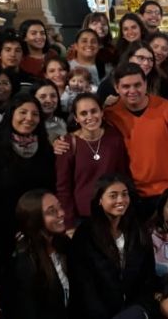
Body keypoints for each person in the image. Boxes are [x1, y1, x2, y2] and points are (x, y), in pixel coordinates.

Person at [103, 63, 168, 219]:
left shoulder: (166, 109)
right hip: (128, 197)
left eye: (137, 85)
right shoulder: (110, 114)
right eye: (126, 86)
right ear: (116, 87)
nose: (132, 91)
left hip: (166, 193)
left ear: (146, 84)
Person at [0, 93, 55, 271]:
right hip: (0, 228)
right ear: (11, 114)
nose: (29, 118)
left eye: (35, 114)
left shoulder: (44, 146)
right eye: (23, 112)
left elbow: (50, 187)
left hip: (36, 226)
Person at [69, 174, 155, 319]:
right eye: (113, 195)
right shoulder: (85, 233)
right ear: (100, 200)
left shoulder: (138, 228)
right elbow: (83, 284)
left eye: (124, 194)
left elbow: (147, 274)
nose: (120, 200)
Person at [56, 93, 129, 231]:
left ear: (102, 112)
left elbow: (122, 177)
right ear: (76, 118)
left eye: (94, 111)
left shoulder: (114, 138)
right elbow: (63, 189)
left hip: (112, 215)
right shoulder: (67, 143)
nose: (90, 117)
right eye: (83, 113)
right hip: (82, 218)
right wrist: (69, 224)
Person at [3, 190, 70, 319]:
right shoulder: (24, 262)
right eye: (51, 211)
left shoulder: (65, 245)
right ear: (34, 219)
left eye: (60, 207)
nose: (61, 213)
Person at [97, 41, 166, 105]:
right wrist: (105, 105)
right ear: (129, 58)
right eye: (141, 58)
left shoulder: (160, 82)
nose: (146, 63)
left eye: (150, 59)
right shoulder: (108, 85)